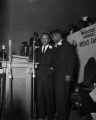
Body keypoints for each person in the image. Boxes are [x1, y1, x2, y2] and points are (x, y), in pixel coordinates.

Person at [51, 30, 77, 120]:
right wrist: (53, 67)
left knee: (62, 98)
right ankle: (60, 115)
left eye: (53, 37)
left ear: (58, 36)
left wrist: (69, 74)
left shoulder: (67, 45)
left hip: (64, 76)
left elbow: (72, 60)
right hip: (58, 76)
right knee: (59, 97)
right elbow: (58, 60)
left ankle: (62, 117)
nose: (52, 39)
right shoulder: (59, 46)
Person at [35, 32, 55, 120]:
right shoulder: (37, 50)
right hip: (39, 77)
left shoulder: (53, 49)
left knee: (49, 98)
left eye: (46, 38)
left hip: (48, 78)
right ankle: (41, 116)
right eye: (42, 38)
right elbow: (34, 61)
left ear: (49, 40)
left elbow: (57, 62)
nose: (44, 40)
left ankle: (50, 116)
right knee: (39, 97)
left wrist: (52, 70)